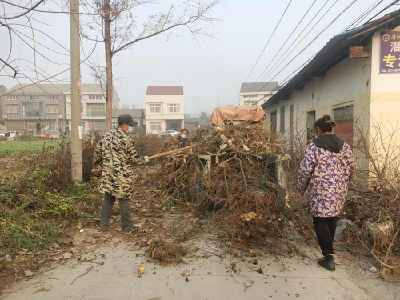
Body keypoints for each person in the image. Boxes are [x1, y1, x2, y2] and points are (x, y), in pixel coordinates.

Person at [297, 114, 356, 271]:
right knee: (332, 217)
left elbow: (305, 170)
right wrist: (343, 181)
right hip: (339, 190)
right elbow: (352, 168)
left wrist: (300, 188)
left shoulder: (314, 147)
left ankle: (328, 257)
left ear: (318, 129)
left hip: (320, 189)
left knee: (320, 220)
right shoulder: (344, 146)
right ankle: (329, 252)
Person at [93, 114, 140, 232]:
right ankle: (127, 227)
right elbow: (135, 158)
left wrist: (98, 164)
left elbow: (97, 151)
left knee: (108, 199)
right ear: (123, 125)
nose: (130, 128)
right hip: (121, 175)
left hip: (108, 175)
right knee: (124, 199)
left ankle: (103, 226)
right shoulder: (126, 139)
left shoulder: (106, 136)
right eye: (129, 125)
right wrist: (144, 159)